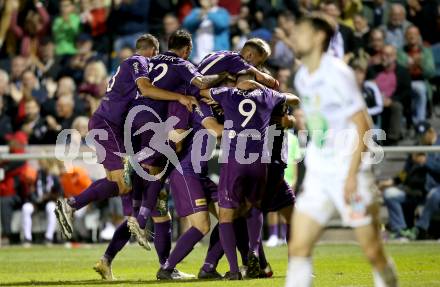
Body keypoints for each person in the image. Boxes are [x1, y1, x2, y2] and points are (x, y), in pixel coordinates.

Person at [285, 13, 398, 287]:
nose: (294, 37)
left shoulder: (338, 73)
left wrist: (351, 176)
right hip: (319, 175)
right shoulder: (301, 77)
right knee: (298, 248)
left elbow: (363, 125)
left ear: (319, 37)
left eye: (300, 32)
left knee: (373, 251)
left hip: (350, 174)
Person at [54, 33, 198, 241]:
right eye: (155, 55)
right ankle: (70, 205)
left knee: (117, 181)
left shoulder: (127, 67)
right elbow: (146, 89)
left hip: (109, 124)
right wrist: (179, 96)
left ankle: (130, 222)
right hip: (108, 125)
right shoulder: (137, 61)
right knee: (124, 183)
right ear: (153, 50)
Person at [200, 75, 299, 280]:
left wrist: (209, 97)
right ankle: (256, 255)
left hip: (234, 160)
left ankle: (234, 270)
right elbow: (293, 101)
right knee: (255, 209)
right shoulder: (268, 95)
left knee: (228, 216)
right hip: (260, 163)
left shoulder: (227, 94)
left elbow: (201, 91)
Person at [381, 121, 439, 240]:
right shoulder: (416, 147)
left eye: (423, 135)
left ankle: (419, 229)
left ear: (431, 132)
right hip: (416, 191)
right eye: (419, 135)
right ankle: (400, 231)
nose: (421, 138)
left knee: (434, 195)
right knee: (389, 194)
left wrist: (426, 162)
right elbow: (405, 172)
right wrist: (393, 181)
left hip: (436, 188)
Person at [368, 45, 411, 145]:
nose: (384, 57)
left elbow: (406, 91)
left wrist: (391, 99)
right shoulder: (373, 70)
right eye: (382, 54)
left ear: (394, 56)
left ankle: (392, 138)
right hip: (374, 101)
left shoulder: (402, 72)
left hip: (392, 100)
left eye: (388, 55)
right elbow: (366, 87)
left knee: (397, 106)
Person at [397, 25, 435, 125]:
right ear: (405, 36)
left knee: (420, 89)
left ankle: (420, 121)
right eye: (409, 34)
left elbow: (431, 72)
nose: (412, 36)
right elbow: (399, 72)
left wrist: (421, 64)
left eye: (415, 34)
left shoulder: (426, 51)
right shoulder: (400, 52)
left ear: (419, 36)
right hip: (405, 83)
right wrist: (413, 63)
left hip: (422, 81)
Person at [21, 159, 63, 246]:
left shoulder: (54, 177)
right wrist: (34, 200)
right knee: (26, 208)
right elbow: (31, 190)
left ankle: (49, 237)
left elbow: (59, 193)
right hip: (36, 202)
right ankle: (27, 238)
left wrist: (49, 196)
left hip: (49, 202)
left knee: (51, 207)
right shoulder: (37, 174)